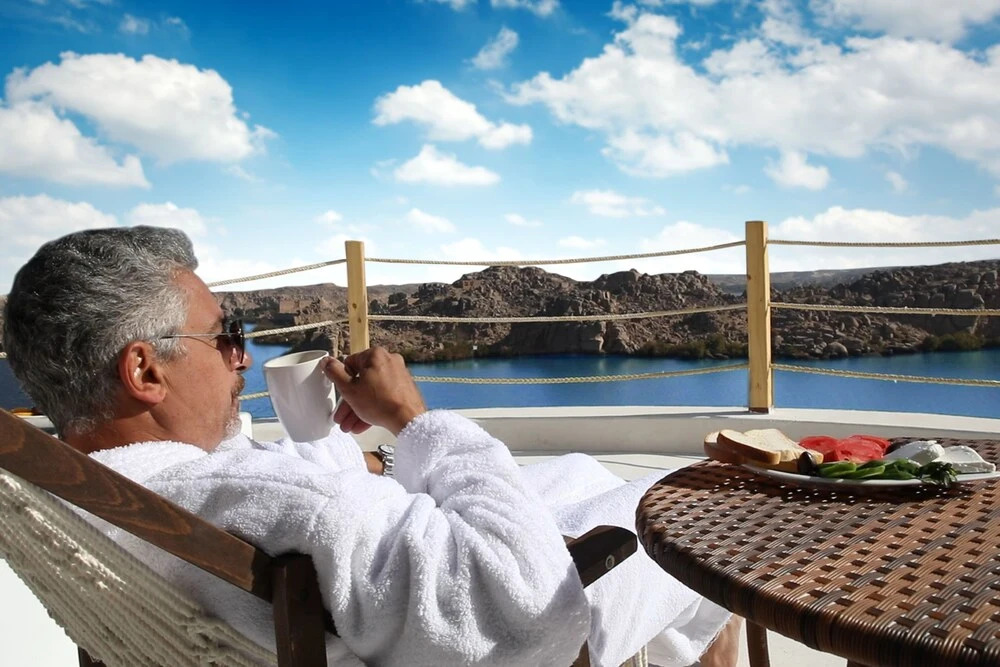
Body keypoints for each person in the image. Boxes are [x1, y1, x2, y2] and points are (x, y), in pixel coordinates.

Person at [3, 226, 738, 667]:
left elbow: (316, 517)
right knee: (703, 504)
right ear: (145, 371)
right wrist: (413, 419)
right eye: (226, 335)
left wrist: (327, 437)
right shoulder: (260, 502)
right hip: (516, 621)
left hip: (362, 611)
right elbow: (518, 615)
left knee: (578, 469)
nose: (242, 358)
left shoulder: (84, 487)